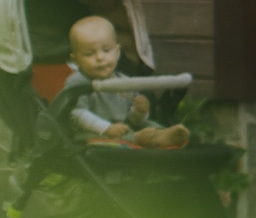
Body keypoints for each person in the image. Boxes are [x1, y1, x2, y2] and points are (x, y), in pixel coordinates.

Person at [55, 15, 189, 148]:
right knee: (122, 136)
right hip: (92, 133)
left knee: (149, 123)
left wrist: (139, 112)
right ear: (76, 60)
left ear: (117, 52)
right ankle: (147, 139)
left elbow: (133, 121)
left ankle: (163, 134)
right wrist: (107, 128)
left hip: (124, 129)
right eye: (89, 54)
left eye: (106, 50)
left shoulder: (124, 82)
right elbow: (77, 114)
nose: (100, 57)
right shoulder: (78, 82)